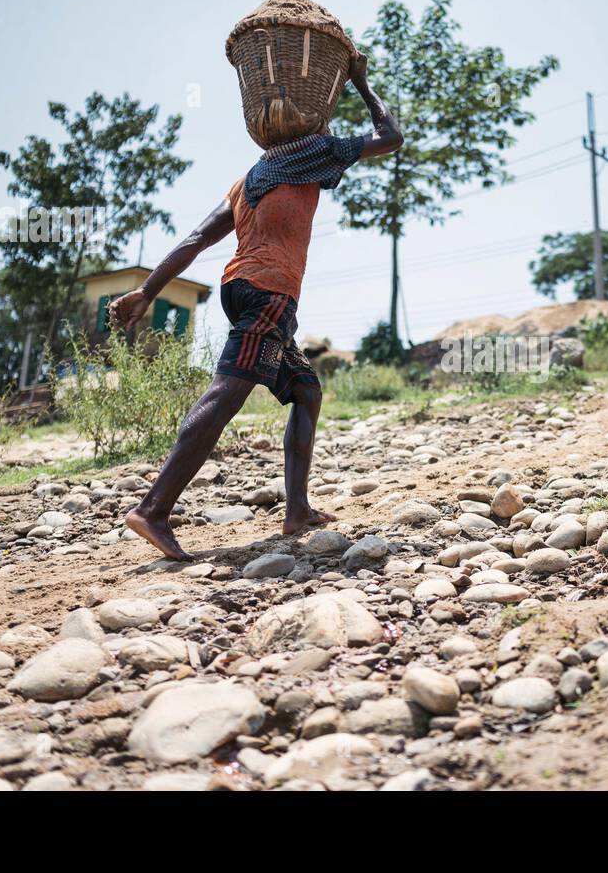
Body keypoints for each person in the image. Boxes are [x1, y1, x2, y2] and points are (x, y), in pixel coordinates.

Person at [108, 53, 402, 561]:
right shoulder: (316, 151)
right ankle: (153, 509)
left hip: (242, 290)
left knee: (306, 392)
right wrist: (360, 81)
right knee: (225, 394)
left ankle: (298, 509)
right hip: (268, 293)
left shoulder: (250, 177)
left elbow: (197, 239)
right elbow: (391, 137)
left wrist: (147, 291)